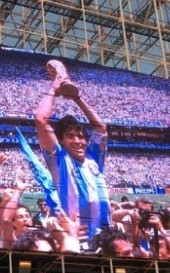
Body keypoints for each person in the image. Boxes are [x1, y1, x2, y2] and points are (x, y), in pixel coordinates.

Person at [33, 63, 111, 240]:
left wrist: (77, 98)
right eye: (71, 136)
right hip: (77, 239)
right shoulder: (59, 159)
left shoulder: (94, 158)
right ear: (61, 141)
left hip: (105, 238)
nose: (78, 141)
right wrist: (54, 87)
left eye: (81, 136)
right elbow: (40, 120)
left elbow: (101, 128)